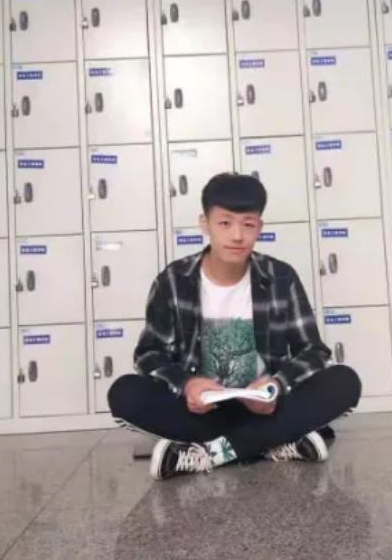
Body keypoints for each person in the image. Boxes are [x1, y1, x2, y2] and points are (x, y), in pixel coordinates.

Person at [107, 173, 362, 481]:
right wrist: (187, 384)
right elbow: (149, 354)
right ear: (205, 224)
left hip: (267, 406)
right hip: (201, 411)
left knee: (344, 382)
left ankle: (208, 454)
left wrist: (276, 385)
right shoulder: (173, 281)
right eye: (225, 223)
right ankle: (276, 441)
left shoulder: (281, 277)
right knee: (124, 394)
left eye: (248, 224)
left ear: (259, 227)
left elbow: (313, 351)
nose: (238, 236)